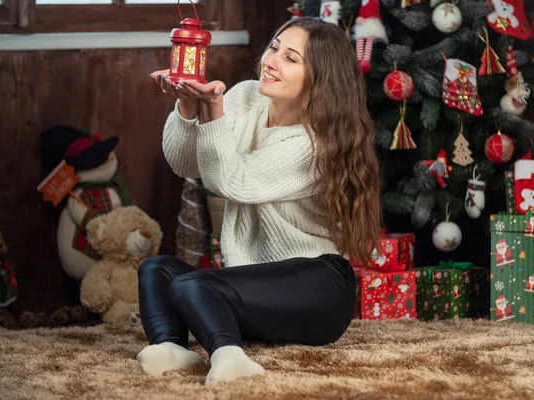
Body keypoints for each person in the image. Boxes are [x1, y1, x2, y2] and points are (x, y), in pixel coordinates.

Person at [137, 16, 381, 385]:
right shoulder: (248, 96)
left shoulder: (315, 144)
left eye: (291, 58)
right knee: (157, 271)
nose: (272, 60)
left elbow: (234, 182)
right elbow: (185, 162)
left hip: (319, 288)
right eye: (274, 47)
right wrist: (188, 107)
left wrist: (213, 111)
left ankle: (229, 357)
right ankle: (172, 348)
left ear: (319, 78)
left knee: (193, 286)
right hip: (248, 285)